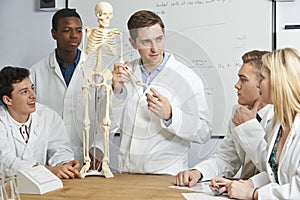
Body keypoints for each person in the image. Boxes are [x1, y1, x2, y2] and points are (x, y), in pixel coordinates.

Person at [108, 10, 212, 175]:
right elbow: (106, 126)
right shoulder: (124, 75)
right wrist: (117, 92)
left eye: (159, 39)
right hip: (127, 174)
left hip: (167, 175)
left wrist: (171, 115)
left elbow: (204, 132)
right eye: (146, 42)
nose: (155, 48)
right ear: (133, 43)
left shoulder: (188, 78)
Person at [211, 48, 300, 199]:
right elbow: (276, 172)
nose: (258, 85)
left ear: (278, 81)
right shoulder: (281, 123)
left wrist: (253, 194)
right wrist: (249, 184)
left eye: (262, 79)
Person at [175, 50, 274, 186]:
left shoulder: (281, 118)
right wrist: (198, 172)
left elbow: (273, 169)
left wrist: (249, 127)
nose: (237, 85)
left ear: (262, 82)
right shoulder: (239, 113)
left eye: (243, 79)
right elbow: (227, 158)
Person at [30, 8, 93, 165]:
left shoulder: (95, 69)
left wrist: (97, 148)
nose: (74, 36)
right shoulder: (37, 71)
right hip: (48, 155)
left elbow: (107, 113)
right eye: (67, 30)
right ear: (54, 33)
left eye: (78, 31)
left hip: (87, 154)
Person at [0, 66, 81, 179]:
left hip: (43, 187)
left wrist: (65, 165)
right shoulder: (1, 121)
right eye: (24, 92)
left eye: (32, 88)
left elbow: (60, 150)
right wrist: (49, 171)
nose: (33, 95)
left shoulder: (48, 116)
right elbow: (6, 161)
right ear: (7, 100)